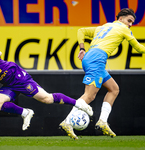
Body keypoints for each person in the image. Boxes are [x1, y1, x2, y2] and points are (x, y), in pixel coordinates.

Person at [0, 42, 93, 133]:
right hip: (9, 85)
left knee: (47, 99)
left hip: (19, 78)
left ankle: (79, 104)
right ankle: (25, 113)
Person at [59, 8, 145, 140]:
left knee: (114, 89)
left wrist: (82, 48)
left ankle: (102, 121)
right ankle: (67, 121)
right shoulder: (123, 29)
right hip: (97, 59)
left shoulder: (104, 27)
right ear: (120, 19)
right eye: (129, 21)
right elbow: (139, 48)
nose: (130, 24)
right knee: (89, 95)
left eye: (132, 22)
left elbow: (81, 31)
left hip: (91, 57)